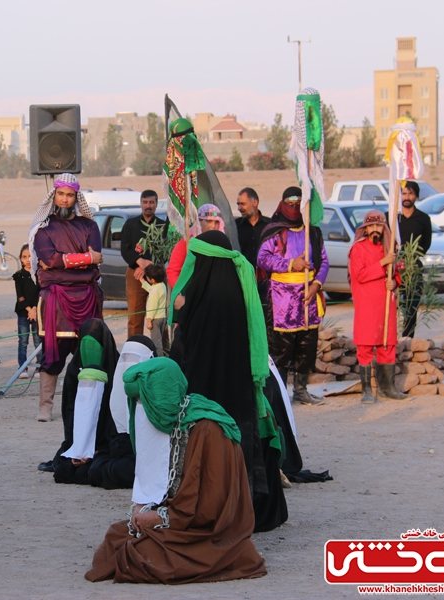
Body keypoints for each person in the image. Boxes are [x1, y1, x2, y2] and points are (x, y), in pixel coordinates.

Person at [85, 357, 267, 585]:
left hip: (207, 528)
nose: (141, 410)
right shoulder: (174, 419)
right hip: (181, 515)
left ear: (160, 396)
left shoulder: (207, 430)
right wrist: (146, 509)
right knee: (117, 535)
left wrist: (160, 517)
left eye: (144, 401)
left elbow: (209, 507)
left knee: (138, 554)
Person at [170, 230, 287, 532]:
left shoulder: (195, 301)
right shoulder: (240, 296)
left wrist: (182, 309)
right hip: (239, 399)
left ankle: (209, 511)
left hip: (203, 403)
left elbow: (182, 354)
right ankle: (241, 511)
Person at [28, 173, 103, 422]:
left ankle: (84, 407)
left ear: (75, 198)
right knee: (53, 355)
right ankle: (45, 406)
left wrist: (63, 263)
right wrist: (85, 259)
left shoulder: (90, 226)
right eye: (60, 194)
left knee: (87, 355)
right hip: (55, 300)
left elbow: (96, 259)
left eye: (69, 195)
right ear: (54, 195)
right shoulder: (43, 228)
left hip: (87, 296)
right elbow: (48, 259)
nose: (64, 199)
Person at [257, 187, 329, 406]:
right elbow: (263, 259)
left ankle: (301, 390)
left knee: (306, 346)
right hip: (282, 300)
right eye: (291, 203)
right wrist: (291, 264)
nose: (295, 207)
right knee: (281, 350)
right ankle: (279, 394)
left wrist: (317, 285)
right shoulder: (275, 232)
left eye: (299, 203)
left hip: (308, 298)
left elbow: (323, 261)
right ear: (283, 204)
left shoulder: (313, 232)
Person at [51, 319, 135, 489]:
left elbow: (118, 421)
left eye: (94, 347)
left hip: (109, 445)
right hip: (82, 445)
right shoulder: (74, 372)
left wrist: (98, 450)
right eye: (85, 347)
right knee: (63, 467)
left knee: (97, 470)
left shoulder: (117, 372)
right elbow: (71, 416)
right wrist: (79, 448)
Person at [349, 210, 408, 403]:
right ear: (365, 229)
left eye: (379, 226)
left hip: (386, 305)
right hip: (367, 305)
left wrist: (395, 282)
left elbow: (395, 274)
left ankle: (387, 388)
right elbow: (360, 275)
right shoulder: (358, 249)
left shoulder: (389, 248)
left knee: (387, 344)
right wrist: (383, 263)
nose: (375, 230)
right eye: (371, 226)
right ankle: (367, 391)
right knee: (365, 346)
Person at [120, 190, 165, 337]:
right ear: (141, 204)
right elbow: (125, 249)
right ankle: (134, 351)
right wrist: (139, 262)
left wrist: (149, 266)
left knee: (159, 317)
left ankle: (161, 353)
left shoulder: (162, 226)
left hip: (157, 275)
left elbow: (165, 252)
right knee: (135, 317)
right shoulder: (130, 224)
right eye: (145, 202)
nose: (148, 206)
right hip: (135, 275)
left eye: (151, 202)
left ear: (156, 204)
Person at [396, 180, 432, 338]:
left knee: (411, 305)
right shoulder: (392, 217)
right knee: (391, 304)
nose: (407, 197)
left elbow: (425, 244)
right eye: (404, 193)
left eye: (410, 193)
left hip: (413, 267)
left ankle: (408, 338)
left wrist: (410, 258)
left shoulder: (423, 218)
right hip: (394, 266)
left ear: (416, 196)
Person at [166, 203, 224, 290]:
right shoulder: (187, 243)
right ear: (199, 221)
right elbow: (172, 271)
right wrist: (182, 292)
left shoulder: (223, 244)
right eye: (208, 221)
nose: (213, 226)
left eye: (216, 222)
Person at [12, 244, 41, 379]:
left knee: (38, 340)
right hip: (23, 312)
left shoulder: (39, 274)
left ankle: (39, 367)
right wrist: (29, 310)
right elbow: (20, 296)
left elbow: (40, 293)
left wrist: (35, 309)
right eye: (24, 257)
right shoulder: (19, 276)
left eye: (30, 256)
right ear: (20, 259)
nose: (28, 259)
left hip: (37, 311)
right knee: (23, 341)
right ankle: (22, 368)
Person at [234, 187, 271, 268]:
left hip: (266, 276)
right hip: (243, 276)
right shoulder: (235, 226)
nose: (239, 208)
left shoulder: (270, 225)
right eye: (238, 204)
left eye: (243, 204)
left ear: (255, 203)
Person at [141, 264, 169, 357]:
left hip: (155, 320)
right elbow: (151, 289)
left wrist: (149, 320)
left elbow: (153, 307)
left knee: (156, 342)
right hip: (162, 318)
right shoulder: (161, 285)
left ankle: (159, 360)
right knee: (159, 339)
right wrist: (142, 281)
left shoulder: (155, 291)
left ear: (152, 280)